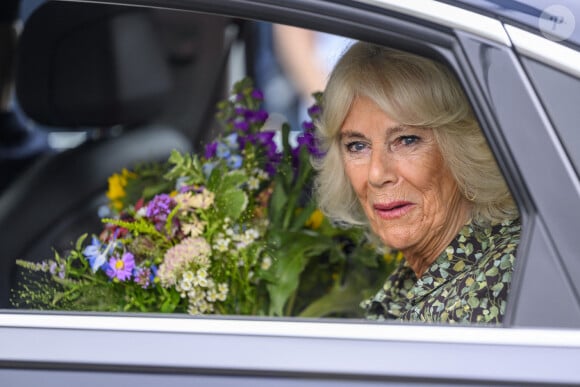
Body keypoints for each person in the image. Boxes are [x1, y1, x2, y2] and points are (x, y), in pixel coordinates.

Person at [312, 42, 520, 324]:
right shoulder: (428, 276)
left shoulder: (496, 286)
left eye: (406, 140)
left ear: (462, 148)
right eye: (357, 145)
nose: (376, 174)